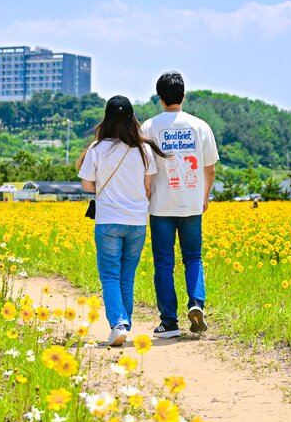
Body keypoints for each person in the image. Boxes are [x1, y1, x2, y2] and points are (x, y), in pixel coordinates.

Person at [78, 95, 164, 347]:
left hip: (108, 222)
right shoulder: (144, 149)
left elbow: (86, 186)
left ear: (107, 119)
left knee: (110, 276)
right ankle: (124, 323)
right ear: (131, 119)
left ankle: (118, 324)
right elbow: (148, 189)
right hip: (137, 221)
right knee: (127, 276)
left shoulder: (96, 149)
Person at [141, 71, 219, 338]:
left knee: (163, 262)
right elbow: (209, 169)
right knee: (193, 258)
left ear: (160, 98)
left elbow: (146, 171)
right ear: (184, 96)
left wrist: (147, 195)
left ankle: (169, 322)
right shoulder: (200, 126)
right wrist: (204, 197)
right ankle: (196, 304)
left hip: (161, 206)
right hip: (192, 204)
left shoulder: (149, 127)